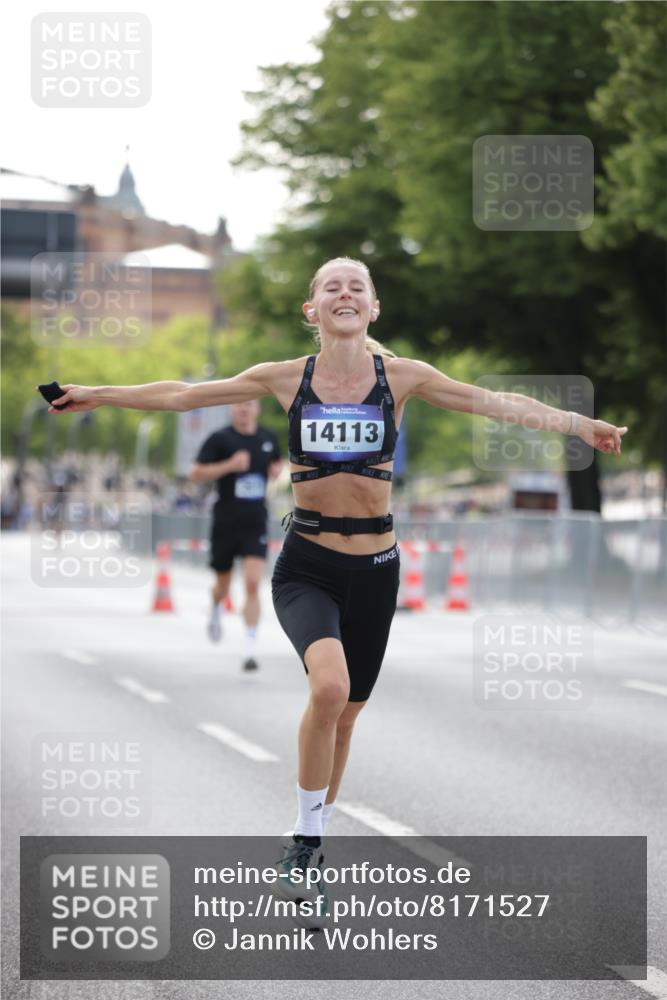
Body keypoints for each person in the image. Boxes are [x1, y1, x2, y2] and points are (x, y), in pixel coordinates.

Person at [38, 255, 628, 907]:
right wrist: (98, 393)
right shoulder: (284, 379)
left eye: (357, 287)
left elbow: (495, 404)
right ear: (311, 310)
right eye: (330, 287)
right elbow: (183, 393)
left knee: (346, 718)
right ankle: (306, 845)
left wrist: (582, 425)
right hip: (308, 565)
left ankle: (310, 833)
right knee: (329, 687)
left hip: (375, 570)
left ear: (372, 309)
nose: (344, 293)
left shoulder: (403, 378)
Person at [188, 400, 282, 670]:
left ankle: (249, 649)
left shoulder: (267, 438)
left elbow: (276, 467)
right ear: (232, 409)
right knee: (223, 586)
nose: (244, 409)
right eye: (239, 404)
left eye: (250, 404)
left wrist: (276, 472)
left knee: (253, 584)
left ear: (257, 409)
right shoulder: (220, 439)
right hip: (225, 521)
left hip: (255, 521)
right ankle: (217, 608)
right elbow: (195, 473)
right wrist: (228, 465)